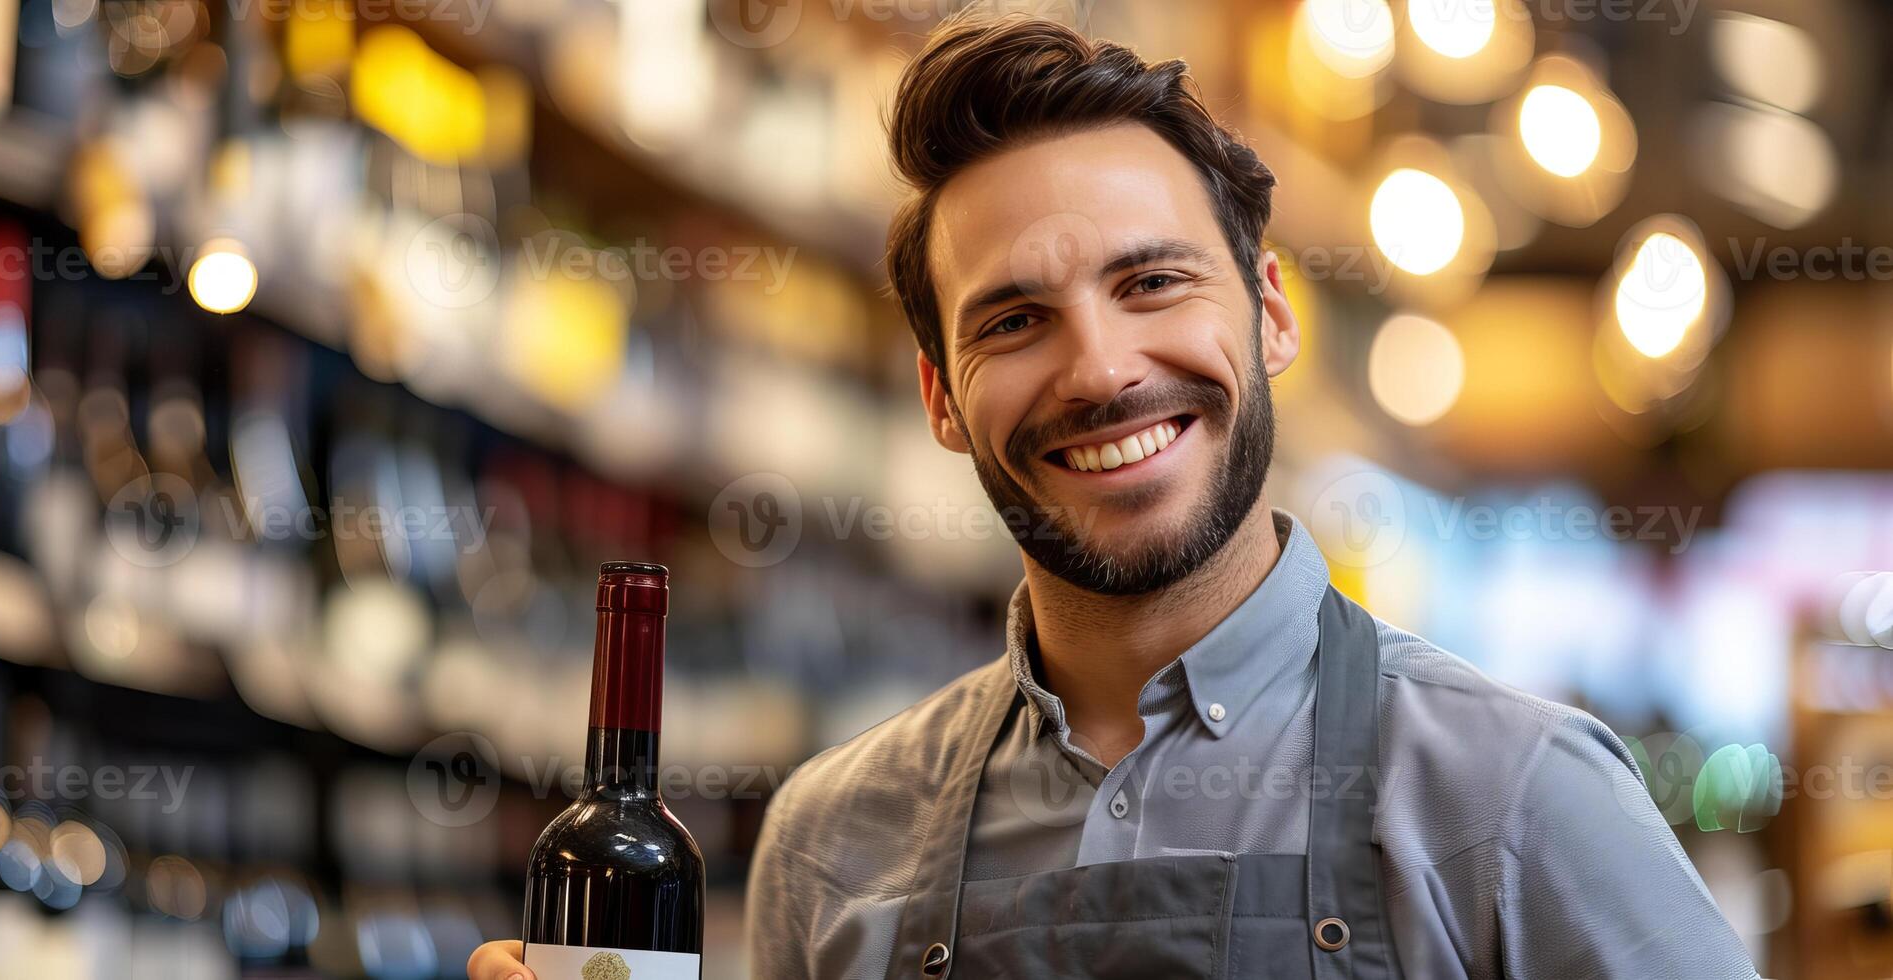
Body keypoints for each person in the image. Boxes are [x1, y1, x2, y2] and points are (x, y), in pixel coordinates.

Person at [471, 11, 1760, 979]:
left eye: (1153, 284)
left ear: (1268, 312)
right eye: (1017, 320)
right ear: (938, 395)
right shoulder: (834, 842)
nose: (1099, 371)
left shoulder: (1516, 805)